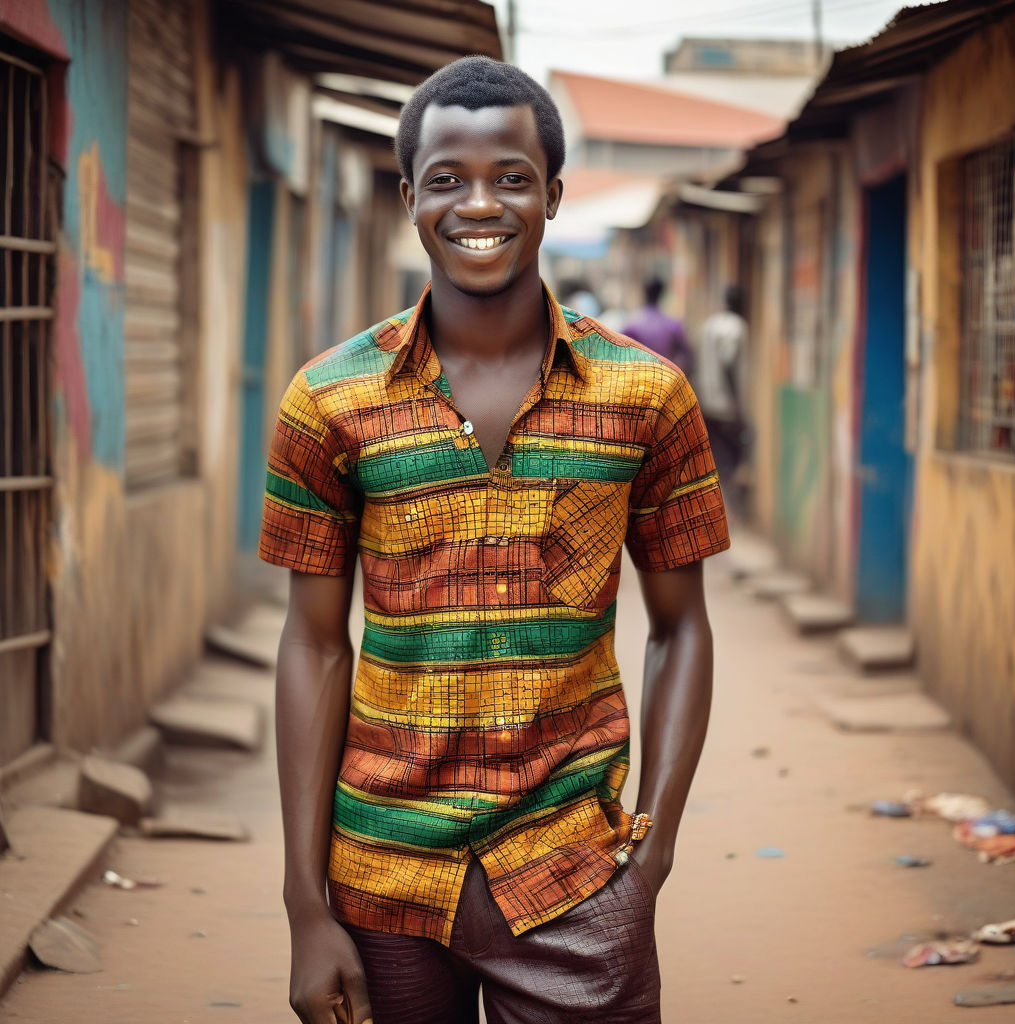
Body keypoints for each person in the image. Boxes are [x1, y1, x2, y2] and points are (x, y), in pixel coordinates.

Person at [259, 55, 729, 1024]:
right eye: (447, 179)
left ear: (552, 193)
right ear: (408, 198)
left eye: (511, 176)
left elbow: (680, 629)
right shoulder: (326, 400)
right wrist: (306, 904)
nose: (480, 202)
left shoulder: (646, 394)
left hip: (574, 876)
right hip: (382, 876)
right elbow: (311, 642)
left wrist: (654, 849)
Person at [696, 284, 748, 507]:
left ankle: (715, 503)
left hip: (706, 400)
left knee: (715, 454)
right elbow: (728, 365)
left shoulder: (709, 324)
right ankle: (729, 507)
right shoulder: (736, 327)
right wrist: (737, 405)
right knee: (732, 456)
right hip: (726, 404)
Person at [622, 277, 694, 376]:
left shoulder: (631, 324)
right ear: (661, 294)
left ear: (644, 293)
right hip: (665, 381)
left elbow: (621, 355)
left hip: (638, 380)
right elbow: (687, 357)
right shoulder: (672, 325)